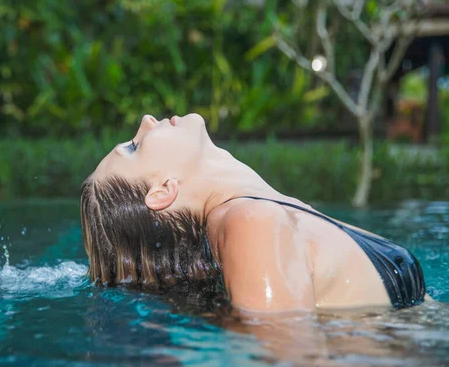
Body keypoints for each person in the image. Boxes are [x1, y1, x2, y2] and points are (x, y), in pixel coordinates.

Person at [80, 113, 426, 312]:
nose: (145, 121)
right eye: (134, 146)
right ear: (162, 191)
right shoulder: (251, 223)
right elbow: (283, 362)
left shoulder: (259, 213)